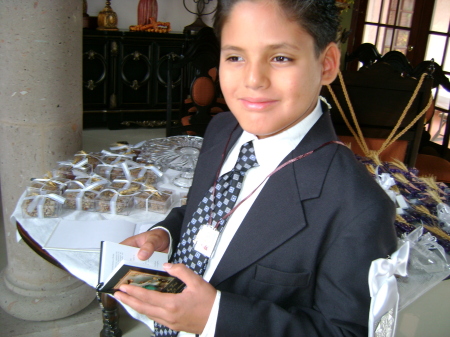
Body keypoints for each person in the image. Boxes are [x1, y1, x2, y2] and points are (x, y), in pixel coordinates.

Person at [114, 1, 398, 336]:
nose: (253, 80)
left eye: (280, 57)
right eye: (235, 56)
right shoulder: (224, 129)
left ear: (327, 64)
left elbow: (344, 332)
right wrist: (168, 233)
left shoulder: (359, 209)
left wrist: (216, 318)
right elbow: (205, 210)